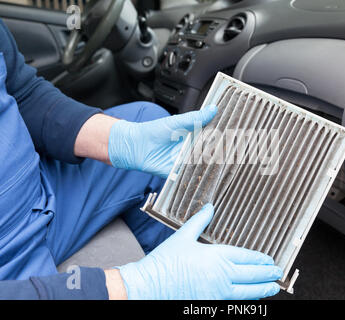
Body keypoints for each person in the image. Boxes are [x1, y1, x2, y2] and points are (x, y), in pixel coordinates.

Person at [0, 19, 282, 300]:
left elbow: (21, 92)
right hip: (9, 264)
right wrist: (139, 284)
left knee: (148, 117)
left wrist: (121, 140)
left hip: (38, 190)